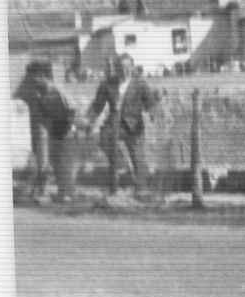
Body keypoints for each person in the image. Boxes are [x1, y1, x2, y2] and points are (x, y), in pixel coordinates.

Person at [83, 54, 160, 195]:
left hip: (134, 125)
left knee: (137, 157)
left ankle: (142, 189)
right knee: (104, 138)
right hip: (114, 124)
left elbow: (150, 102)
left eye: (127, 67)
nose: (124, 71)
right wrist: (88, 120)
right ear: (116, 68)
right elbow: (97, 106)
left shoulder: (140, 83)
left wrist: (153, 113)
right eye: (120, 67)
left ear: (132, 67)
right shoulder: (107, 84)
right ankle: (120, 165)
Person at [13, 58, 78, 202]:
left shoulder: (58, 90)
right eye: (30, 77)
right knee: (55, 162)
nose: (32, 80)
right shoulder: (38, 93)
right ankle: (61, 193)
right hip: (53, 130)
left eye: (35, 77)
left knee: (65, 162)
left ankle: (68, 194)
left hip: (66, 129)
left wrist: (68, 126)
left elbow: (73, 109)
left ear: (43, 76)